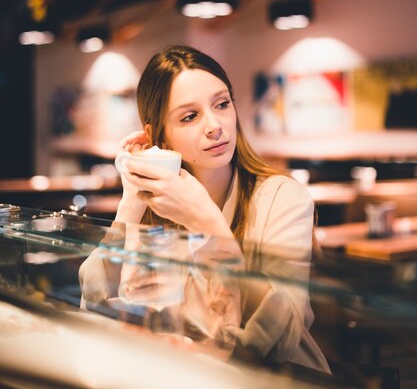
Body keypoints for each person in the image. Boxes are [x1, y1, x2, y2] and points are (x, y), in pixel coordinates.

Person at [79, 44, 330, 373]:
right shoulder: (157, 208)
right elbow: (92, 304)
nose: (215, 125)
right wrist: (131, 201)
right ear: (160, 137)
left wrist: (207, 222)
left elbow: (278, 340)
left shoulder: (283, 198)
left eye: (222, 104)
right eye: (190, 116)